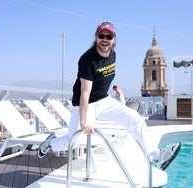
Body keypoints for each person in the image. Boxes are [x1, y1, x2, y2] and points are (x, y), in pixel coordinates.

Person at [38, 21, 181, 170]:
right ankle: (50, 143)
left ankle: (157, 157)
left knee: (135, 120)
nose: (105, 39)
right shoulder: (87, 60)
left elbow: (103, 80)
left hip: (104, 99)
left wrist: (118, 95)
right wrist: (83, 121)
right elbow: (85, 93)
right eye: (102, 35)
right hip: (86, 104)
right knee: (73, 140)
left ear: (114, 39)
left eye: (109, 36)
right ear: (96, 37)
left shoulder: (113, 55)